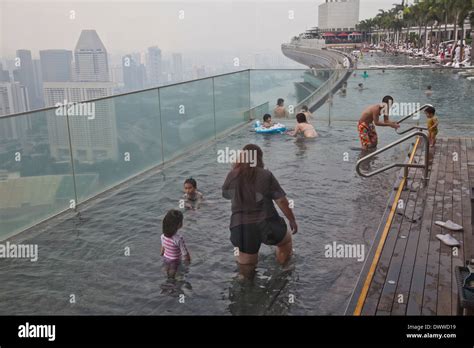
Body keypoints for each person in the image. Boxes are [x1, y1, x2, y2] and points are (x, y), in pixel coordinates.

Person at [222, 144, 297, 280]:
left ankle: (247, 286)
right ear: (259, 159)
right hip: (268, 224)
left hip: (241, 228)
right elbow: (281, 201)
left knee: (246, 266)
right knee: (285, 242)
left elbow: (226, 195)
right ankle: (283, 271)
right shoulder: (266, 175)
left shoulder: (232, 175)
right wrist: (292, 219)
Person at [161, 209, 191, 278]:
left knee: (166, 271)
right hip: (175, 261)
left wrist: (162, 256)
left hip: (166, 258)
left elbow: (162, 250)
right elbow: (185, 254)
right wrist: (189, 263)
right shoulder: (179, 239)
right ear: (179, 225)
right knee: (174, 276)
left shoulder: (163, 236)